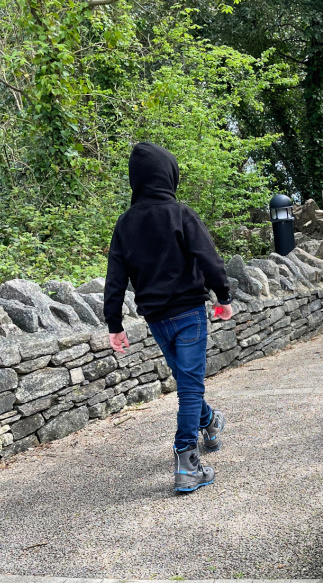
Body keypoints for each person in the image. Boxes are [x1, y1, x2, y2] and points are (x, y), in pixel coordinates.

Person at [103, 142, 233, 494]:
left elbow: (115, 278)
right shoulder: (179, 213)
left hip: (157, 319)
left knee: (186, 380)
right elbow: (209, 257)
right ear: (168, 175)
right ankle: (186, 461)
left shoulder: (125, 224)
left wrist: (114, 324)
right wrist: (223, 296)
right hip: (189, 312)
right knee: (190, 385)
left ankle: (209, 420)